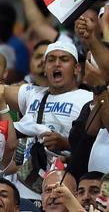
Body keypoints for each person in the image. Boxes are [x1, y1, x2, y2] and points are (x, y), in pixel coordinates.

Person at [0, 41, 93, 201]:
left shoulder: (87, 99)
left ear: (77, 68)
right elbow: (2, 91)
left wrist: (65, 143)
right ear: (44, 67)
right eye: (51, 60)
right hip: (22, 188)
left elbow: (93, 145)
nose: (57, 64)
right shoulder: (31, 93)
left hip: (59, 190)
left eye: (64, 59)